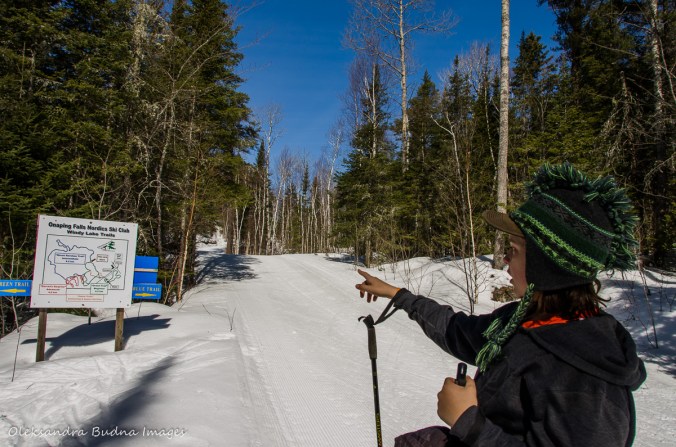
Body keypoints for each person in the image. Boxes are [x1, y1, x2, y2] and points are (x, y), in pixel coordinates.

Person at [355, 163, 646, 446]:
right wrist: (399, 295)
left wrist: (467, 420)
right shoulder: (525, 320)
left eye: (514, 250)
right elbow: (457, 330)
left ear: (547, 265)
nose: (505, 259)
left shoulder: (585, 372)